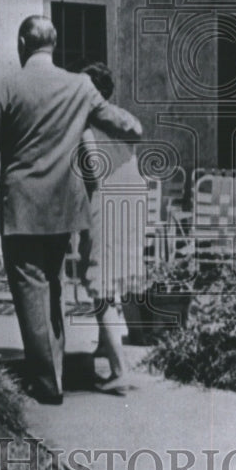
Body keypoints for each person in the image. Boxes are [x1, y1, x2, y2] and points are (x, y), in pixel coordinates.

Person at [0, 16, 142, 404]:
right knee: (52, 289)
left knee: (30, 291)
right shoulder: (79, 86)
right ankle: (55, 371)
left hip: (23, 207)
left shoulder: (5, 87)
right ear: (54, 44)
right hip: (64, 207)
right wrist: (135, 127)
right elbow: (124, 126)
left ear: (21, 43)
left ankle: (47, 383)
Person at [78, 63, 149, 395]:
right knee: (113, 281)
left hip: (105, 207)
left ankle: (119, 371)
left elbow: (93, 171)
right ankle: (107, 347)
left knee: (101, 289)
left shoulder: (87, 128)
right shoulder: (121, 119)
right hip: (131, 205)